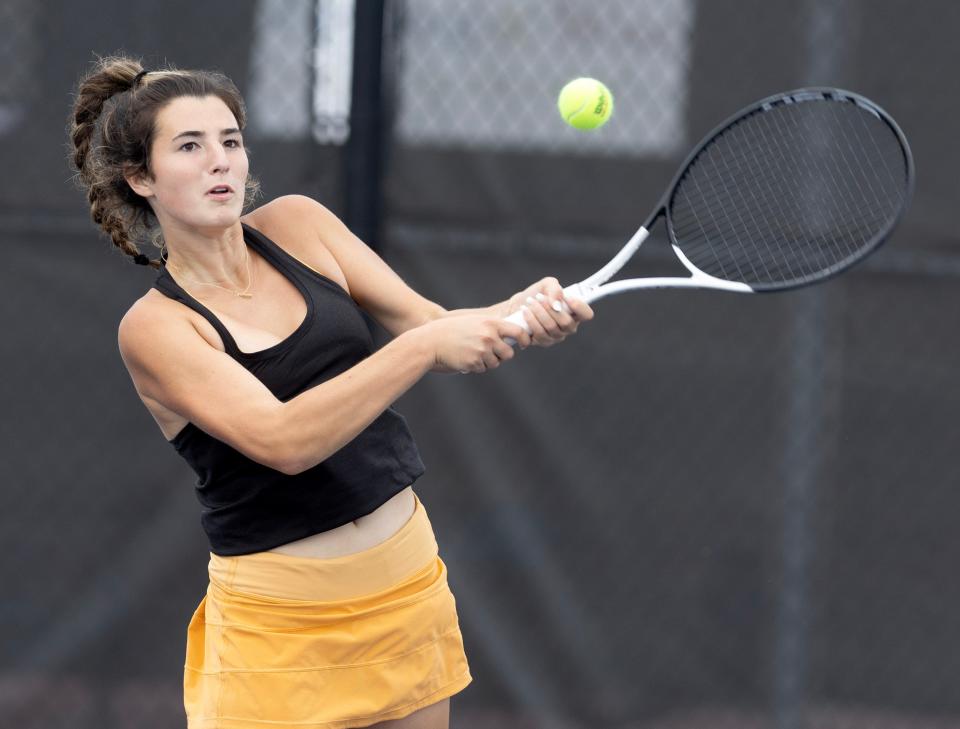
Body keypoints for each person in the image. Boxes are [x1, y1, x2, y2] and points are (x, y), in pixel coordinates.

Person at [68, 55, 593, 729]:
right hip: (279, 626)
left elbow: (427, 322)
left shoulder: (300, 225)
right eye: (190, 146)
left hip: (403, 582)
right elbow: (283, 440)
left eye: (230, 141)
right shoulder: (156, 328)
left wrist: (516, 316)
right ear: (140, 176)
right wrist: (425, 346)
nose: (220, 161)